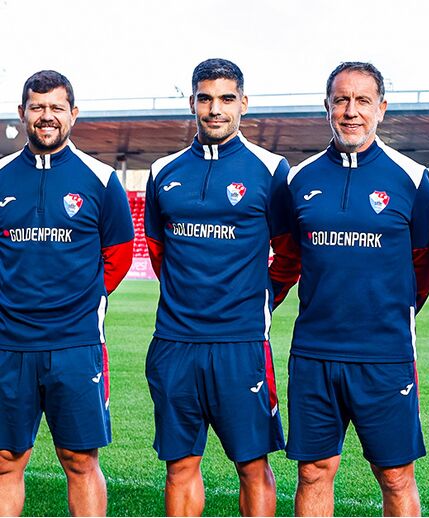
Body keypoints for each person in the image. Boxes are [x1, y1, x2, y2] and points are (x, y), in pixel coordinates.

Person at [279, 61, 429, 517]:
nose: (351, 111)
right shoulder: (298, 179)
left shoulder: (412, 179)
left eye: (363, 101)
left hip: (384, 355)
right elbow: (289, 256)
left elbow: (424, 262)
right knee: (313, 471)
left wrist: (393, 308)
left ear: (381, 108)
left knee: (395, 475)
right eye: (342, 100)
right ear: (327, 106)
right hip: (314, 354)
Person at [144, 58, 297, 516]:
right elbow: (159, 251)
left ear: (243, 103)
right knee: (179, 465)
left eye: (226, 98)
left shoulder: (271, 170)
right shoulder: (163, 171)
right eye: (205, 98)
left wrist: (257, 299)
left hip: (241, 344)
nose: (215, 109)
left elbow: (289, 255)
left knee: (252, 465)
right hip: (175, 343)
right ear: (192, 102)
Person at [0, 70, 134, 516]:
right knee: (6, 459)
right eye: (37, 107)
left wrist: (82, 300)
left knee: (79, 459)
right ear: (21, 113)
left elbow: (118, 254)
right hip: (9, 344)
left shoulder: (100, 178)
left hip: (76, 344)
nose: (46, 116)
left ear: (73, 113)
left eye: (56, 107)